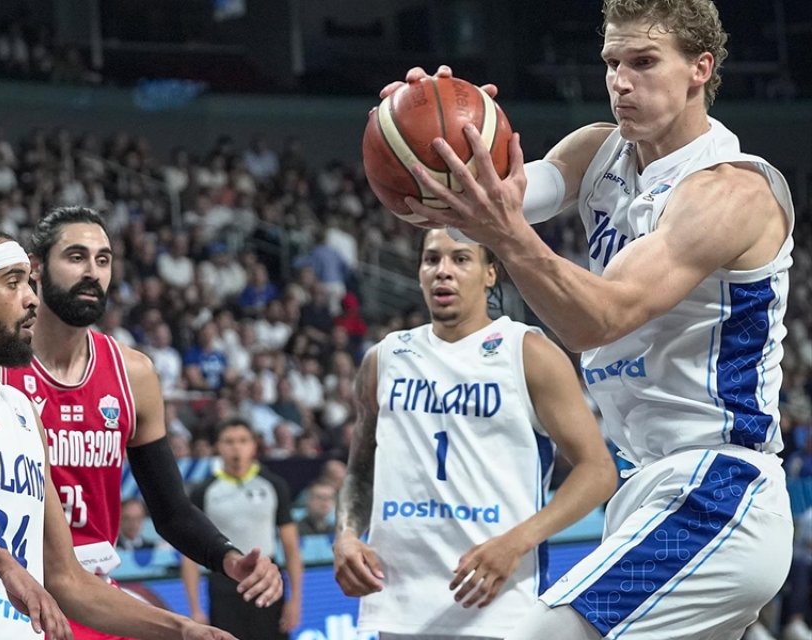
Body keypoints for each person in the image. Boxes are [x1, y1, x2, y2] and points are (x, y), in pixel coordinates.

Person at [385, 1, 797, 637]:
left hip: (718, 487)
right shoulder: (597, 151)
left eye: (644, 62)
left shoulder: (731, 191)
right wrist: (431, 135)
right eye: (611, 62)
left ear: (700, 68)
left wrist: (504, 231)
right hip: (643, 486)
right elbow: (492, 204)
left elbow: (600, 318)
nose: (620, 81)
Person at [0, 226, 236, 640]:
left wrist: (184, 629)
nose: (32, 298)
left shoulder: (23, 412)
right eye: (13, 283)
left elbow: (67, 578)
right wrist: (2, 562)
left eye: (30, 283)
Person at [0, 207, 283, 640]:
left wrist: (228, 558)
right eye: (76, 257)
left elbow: (171, 511)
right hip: (9, 594)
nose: (92, 272)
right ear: (35, 267)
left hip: (93, 595)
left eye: (103, 260)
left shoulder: (133, 374)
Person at [334, 230, 616, 639]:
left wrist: (517, 542)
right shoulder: (384, 358)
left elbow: (599, 472)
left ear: (490, 273)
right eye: (432, 259)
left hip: (499, 604)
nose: (443, 271)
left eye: (460, 259)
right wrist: (345, 535)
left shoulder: (527, 353)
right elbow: (360, 473)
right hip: (399, 606)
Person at [181, 418, 303, 640]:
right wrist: (195, 608)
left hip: (267, 579)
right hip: (223, 584)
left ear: (254, 445)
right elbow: (190, 554)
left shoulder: (274, 485)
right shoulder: (204, 491)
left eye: (243, 440)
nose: (236, 447)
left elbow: (291, 548)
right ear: (217, 446)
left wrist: (295, 600)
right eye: (229, 441)